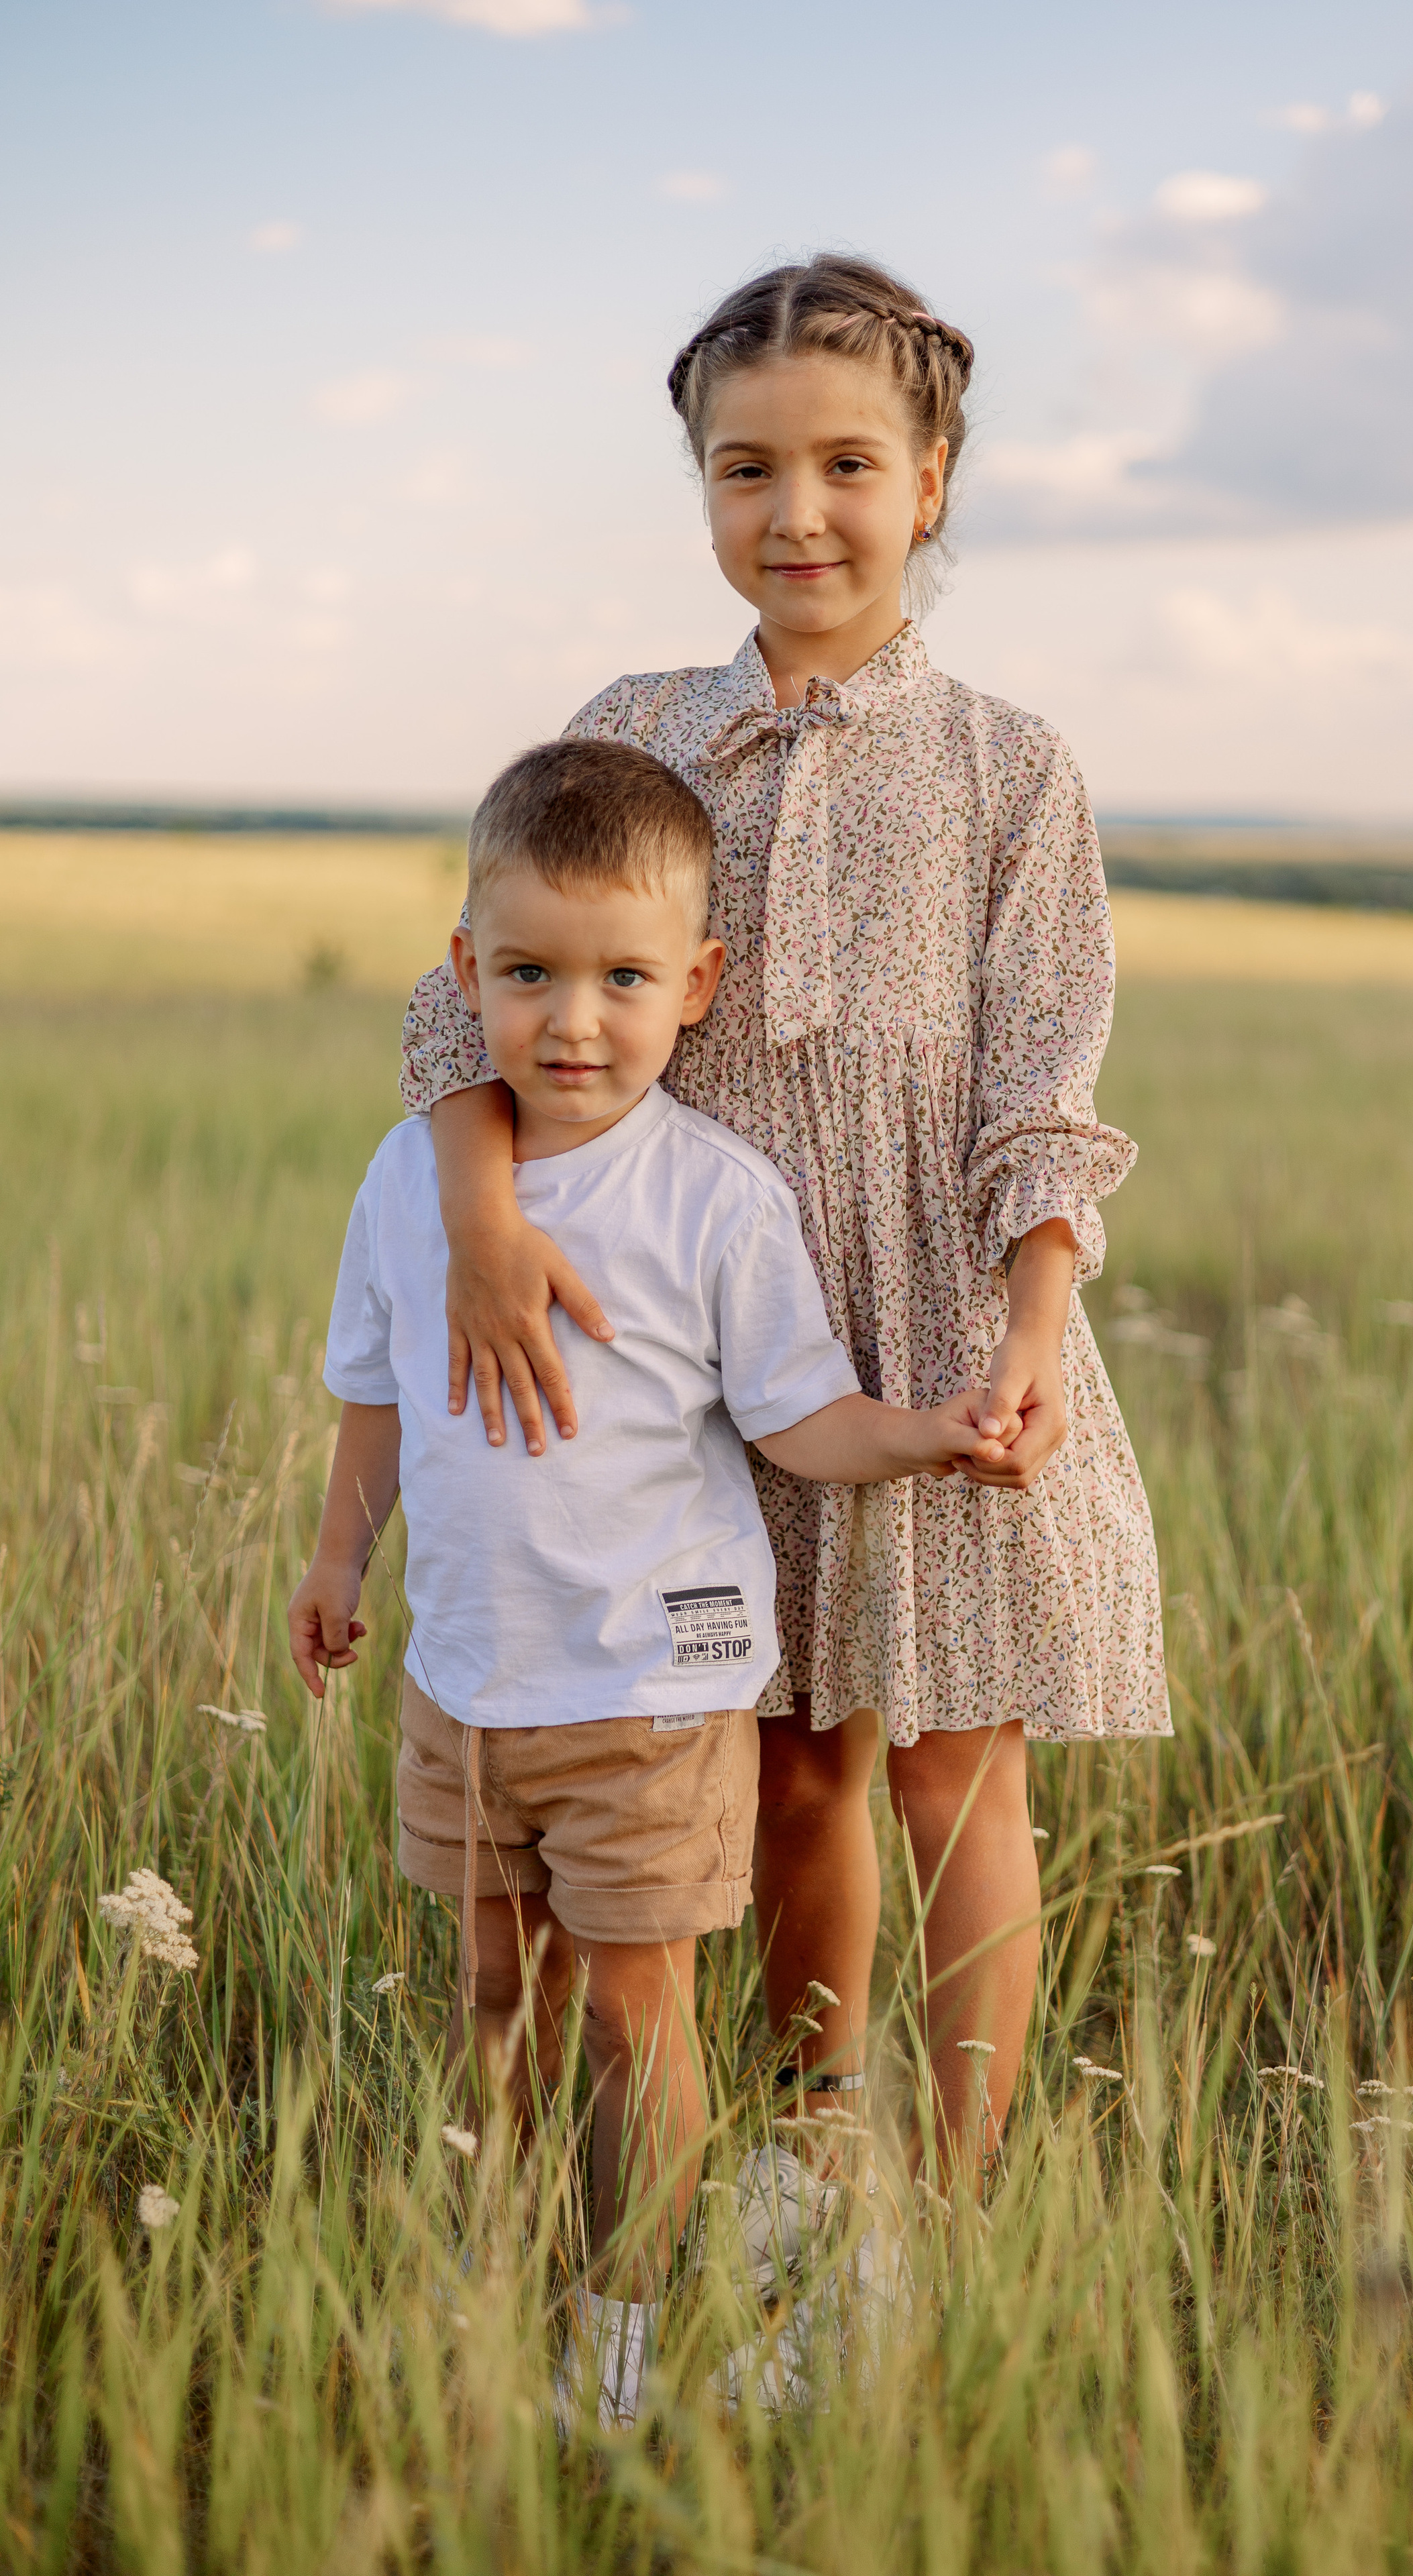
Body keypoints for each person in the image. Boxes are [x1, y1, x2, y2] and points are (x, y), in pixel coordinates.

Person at [399, 252, 1173, 2178]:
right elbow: (459, 1009)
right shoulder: (639, 724)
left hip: (936, 1313)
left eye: (846, 463)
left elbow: (1042, 1083)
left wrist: (1028, 1332)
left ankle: (968, 2187)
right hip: (692, 1333)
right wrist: (487, 1228)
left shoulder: (1011, 766)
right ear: (703, 490)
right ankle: (819, 2153)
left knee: (951, 1761)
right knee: (795, 1754)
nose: (796, 512)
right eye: (746, 470)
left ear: (930, 481)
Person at [288, 733, 1010, 2423]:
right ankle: (519, 2272)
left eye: (623, 977)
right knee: (495, 2003)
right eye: (528, 972)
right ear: (465, 972)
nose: (572, 1020)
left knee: (632, 2016)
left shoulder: (714, 1197)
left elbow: (798, 1419)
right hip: (463, 1676)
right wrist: (339, 1555)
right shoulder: (413, 1179)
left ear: (699, 985)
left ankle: (618, 2335)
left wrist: (923, 1436)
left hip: (651, 1691)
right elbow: (375, 1392)